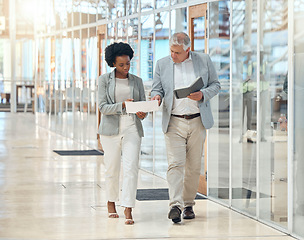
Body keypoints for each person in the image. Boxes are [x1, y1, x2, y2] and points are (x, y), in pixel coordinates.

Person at [151, 32, 220, 223]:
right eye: (171, 51)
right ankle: (175, 205)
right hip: (174, 121)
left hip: (198, 120)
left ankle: (188, 204)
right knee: (175, 164)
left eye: (177, 52)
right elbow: (157, 88)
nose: (173, 55)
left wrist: (203, 94)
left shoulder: (204, 60)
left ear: (187, 50)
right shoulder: (162, 64)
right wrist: (156, 96)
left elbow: (216, 84)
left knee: (193, 166)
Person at [98, 42, 147, 225]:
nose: (126, 68)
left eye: (128, 63)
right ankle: (111, 202)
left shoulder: (137, 81)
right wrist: (123, 105)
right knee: (112, 168)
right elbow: (103, 107)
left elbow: (142, 104)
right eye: (121, 65)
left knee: (131, 167)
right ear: (113, 63)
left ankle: (128, 207)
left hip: (132, 126)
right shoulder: (104, 80)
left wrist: (142, 112)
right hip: (110, 129)